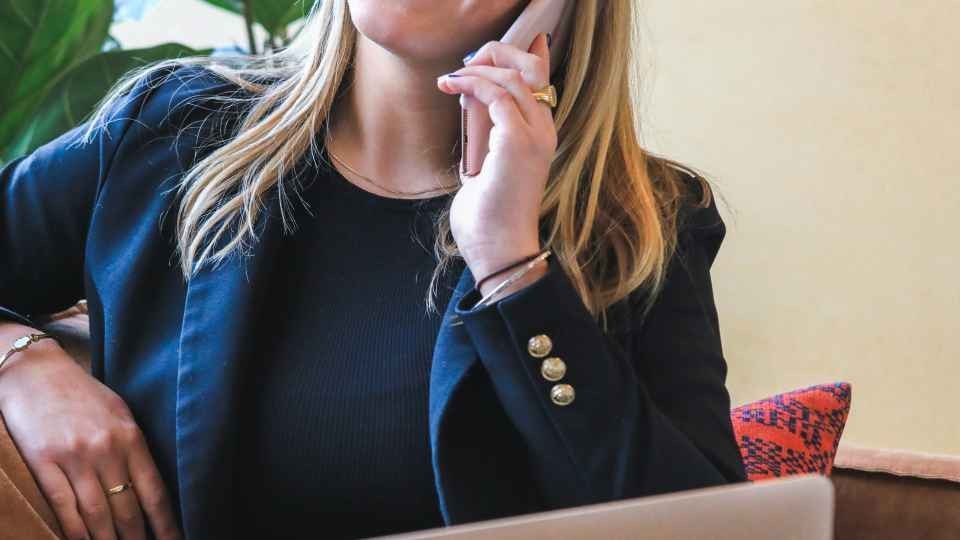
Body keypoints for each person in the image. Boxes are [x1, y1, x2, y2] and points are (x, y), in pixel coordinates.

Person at [0, 0, 746, 538]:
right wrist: (21, 360)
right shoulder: (169, 130)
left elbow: (702, 526)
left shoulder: (643, 220)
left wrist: (511, 266)